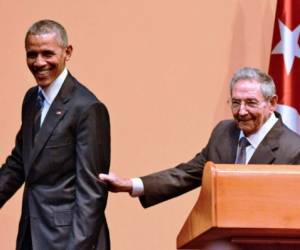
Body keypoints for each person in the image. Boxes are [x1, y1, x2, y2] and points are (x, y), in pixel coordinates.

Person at [99, 67, 300, 209]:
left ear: (272, 103)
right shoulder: (224, 132)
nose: (241, 111)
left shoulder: (293, 150)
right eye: (236, 102)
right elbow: (187, 174)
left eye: (251, 103)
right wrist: (131, 184)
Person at [0, 20, 110, 250]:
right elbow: (20, 162)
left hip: (70, 240)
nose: (39, 62)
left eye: (47, 53)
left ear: (67, 52)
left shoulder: (87, 108)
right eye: (32, 54)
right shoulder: (32, 99)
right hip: (33, 235)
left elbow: (92, 194)